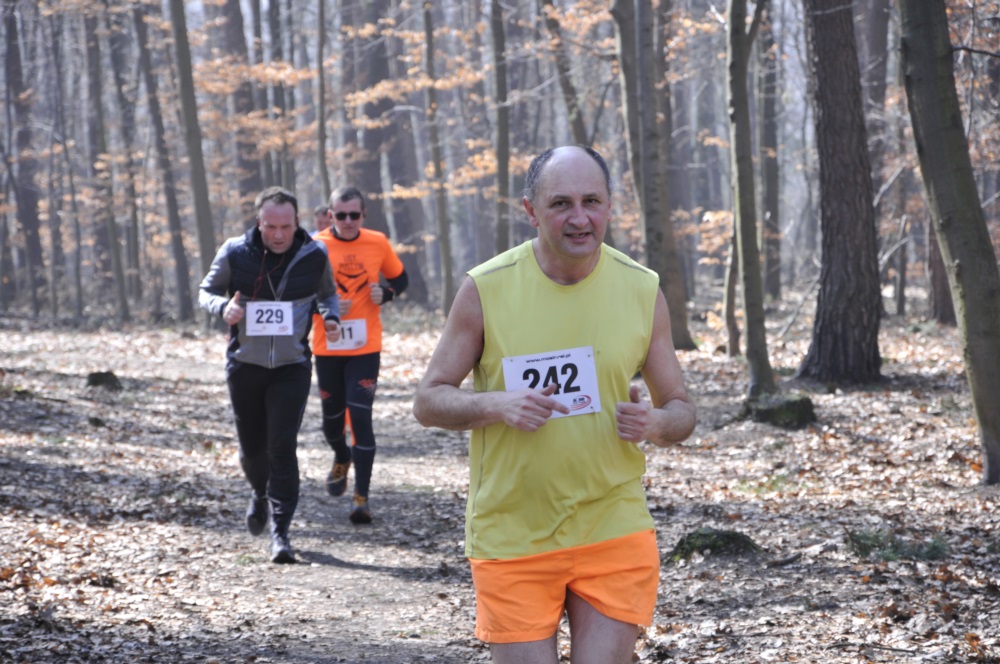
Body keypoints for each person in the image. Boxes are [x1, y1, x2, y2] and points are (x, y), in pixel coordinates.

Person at [412, 146, 696, 663]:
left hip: (612, 523)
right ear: (531, 211)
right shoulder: (486, 288)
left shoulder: (641, 289)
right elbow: (429, 401)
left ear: (610, 205)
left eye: (592, 201)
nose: (579, 218)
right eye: (561, 203)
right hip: (513, 529)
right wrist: (497, 404)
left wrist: (655, 422)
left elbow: (681, 409)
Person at [199, 186, 341, 564]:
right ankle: (259, 492)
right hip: (245, 365)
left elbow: (328, 294)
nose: (278, 235)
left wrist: (331, 317)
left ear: (297, 223)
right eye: (271, 226)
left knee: (281, 445)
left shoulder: (314, 253)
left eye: (286, 226)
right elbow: (206, 291)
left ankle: (281, 533)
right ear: (258, 222)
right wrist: (222, 308)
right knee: (252, 450)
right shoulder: (234, 252)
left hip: (292, 367)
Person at [311, 186, 408, 524]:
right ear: (330, 216)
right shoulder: (315, 245)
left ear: (364, 215)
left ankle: (361, 499)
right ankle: (341, 455)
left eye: (354, 215)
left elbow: (401, 279)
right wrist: (324, 308)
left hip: (365, 348)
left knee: (362, 417)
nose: (348, 221)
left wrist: (388, 293)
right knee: (332, 422)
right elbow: (298, 296)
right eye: (341, 215)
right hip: (327, 347)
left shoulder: (377, 242)